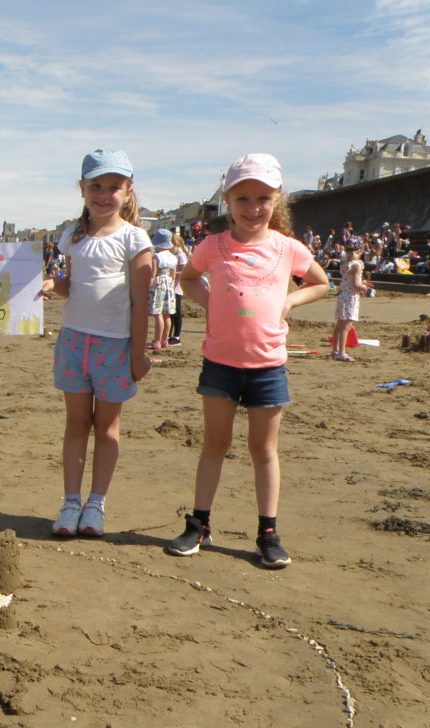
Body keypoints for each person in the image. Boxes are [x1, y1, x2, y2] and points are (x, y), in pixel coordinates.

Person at [166, 153, 329, 568]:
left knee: (264, 450)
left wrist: (290, 300)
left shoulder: (288, 248)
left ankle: (267, 532)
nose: (252, 208)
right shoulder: (212, 246)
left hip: (268, 365)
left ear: (277, 200)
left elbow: (321, 282)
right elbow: (187, 279)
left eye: (262, 198)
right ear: (228, 201)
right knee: (215, 445)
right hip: (219, 363)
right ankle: (199, 523)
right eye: (242, 199)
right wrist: (210, 303)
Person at [44, 149, 153, 537]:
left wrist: (138, 354)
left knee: (106, 428)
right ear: (82, 189)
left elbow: (142, 301)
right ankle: (70, 502)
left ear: (128, 190)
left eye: (113, 187)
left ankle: (96, 504)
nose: (104, 195)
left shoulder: (135, 238)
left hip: (115, 346)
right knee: (75, 424)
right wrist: (50, 285)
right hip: (74, 341)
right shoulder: (72, 236)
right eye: (96, 187)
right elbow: (71, 286)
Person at [332, 245, 371, 362]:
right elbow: (356, 284)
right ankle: (341, 352)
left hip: (343, 294)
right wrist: (364, 287)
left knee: (339, 324)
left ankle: (335, 349)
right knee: (346, 325)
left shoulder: (346, 264)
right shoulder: (357, 264)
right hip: (351, 296)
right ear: (359, 250)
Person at [149, 228, 177, 350]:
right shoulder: (173, 257)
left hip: (159, 284)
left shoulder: (157, 256)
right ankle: (165, 341)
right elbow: (174, 275)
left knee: (158, 314)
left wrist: (149, 288)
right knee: (167, 315)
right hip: (169, 285)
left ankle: (157, 341)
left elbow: (153, 274)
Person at [169, 232, 189, 345]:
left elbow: (184, 271)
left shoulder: (181, 256)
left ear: (176, 243)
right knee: (172, 312)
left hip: (177, 287)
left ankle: (177, 336)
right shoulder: (177, 255)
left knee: (176, 312)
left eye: (171, 245)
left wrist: (171, 272)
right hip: (173, 286)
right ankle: (171, 335)